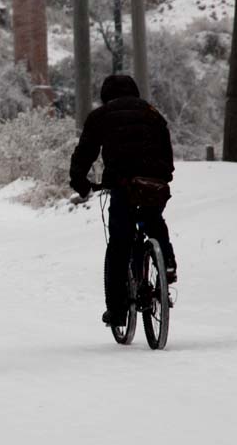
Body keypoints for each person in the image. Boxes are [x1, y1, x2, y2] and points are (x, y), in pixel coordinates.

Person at [69, 74, 177, 328]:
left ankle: (117, 311)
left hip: (123, 183)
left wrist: (81, 183)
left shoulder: (101, 115)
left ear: (106, 95)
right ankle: (167, 263)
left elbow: (85, 152)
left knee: (119, 242)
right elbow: (166, 150)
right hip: (154, 182)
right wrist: (163, 175)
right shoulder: (152, 113)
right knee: (152, 218)